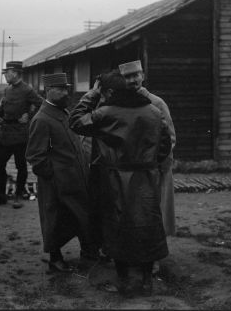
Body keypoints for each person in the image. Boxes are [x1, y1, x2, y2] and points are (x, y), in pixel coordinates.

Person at [69, 69, 172, 295]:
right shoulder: (153, 111)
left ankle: (124, 281)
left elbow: (75, 121)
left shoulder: (105, 113)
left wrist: (92, 95)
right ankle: (147, 280)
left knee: (116, 227)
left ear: (109, 92)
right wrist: (149, 163)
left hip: (115, 179)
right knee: (147, 225)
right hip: (146, 177)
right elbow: (165, 143)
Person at [26, 73, 98, 272]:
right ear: (48, 91)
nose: (66, 92)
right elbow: (35, 156)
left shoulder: (63, 113)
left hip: (75, 179)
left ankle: (89, 252)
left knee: (80, 215)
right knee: (54, 219)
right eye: (61, 89)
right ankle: (55, 259)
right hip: (56, 184)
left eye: (66, 88)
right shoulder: (42, 119)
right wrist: (54, 175)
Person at [119, 60, 177, 236]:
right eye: (127, 77)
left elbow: (170, 138)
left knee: (154, 211)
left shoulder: (157, 103)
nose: (132, 80)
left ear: (142, 76)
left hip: (154, 167)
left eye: (135, 75)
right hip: (130, 167)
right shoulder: (121, 103)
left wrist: (155, 161)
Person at [0, 60, 42, 209]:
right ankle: (1, 195)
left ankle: (18, 196)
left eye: (7, 73)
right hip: (5, 133)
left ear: (15, 73)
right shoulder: (7, 90)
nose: (5, 75)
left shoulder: (27, 90)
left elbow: (41, 104)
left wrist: (30, 116)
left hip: (20, 134)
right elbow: (2, 106)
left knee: (21, 166)